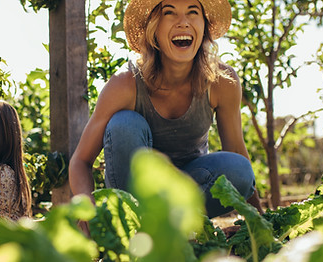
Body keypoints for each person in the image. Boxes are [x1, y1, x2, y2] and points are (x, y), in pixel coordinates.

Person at [69, 0, 264, 234]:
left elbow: (236, 151)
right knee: (124, 124)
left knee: (240, 169)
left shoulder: (222, 81)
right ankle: (131, 231)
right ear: (154, 29)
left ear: (204, 27)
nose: (183, 22)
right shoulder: (125, 85)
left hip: (191, 190)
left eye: (193, 12)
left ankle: (171, 230)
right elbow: (80, 161)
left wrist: (261, 222)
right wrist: (86, 206)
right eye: (169, 13)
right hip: (135, 199)